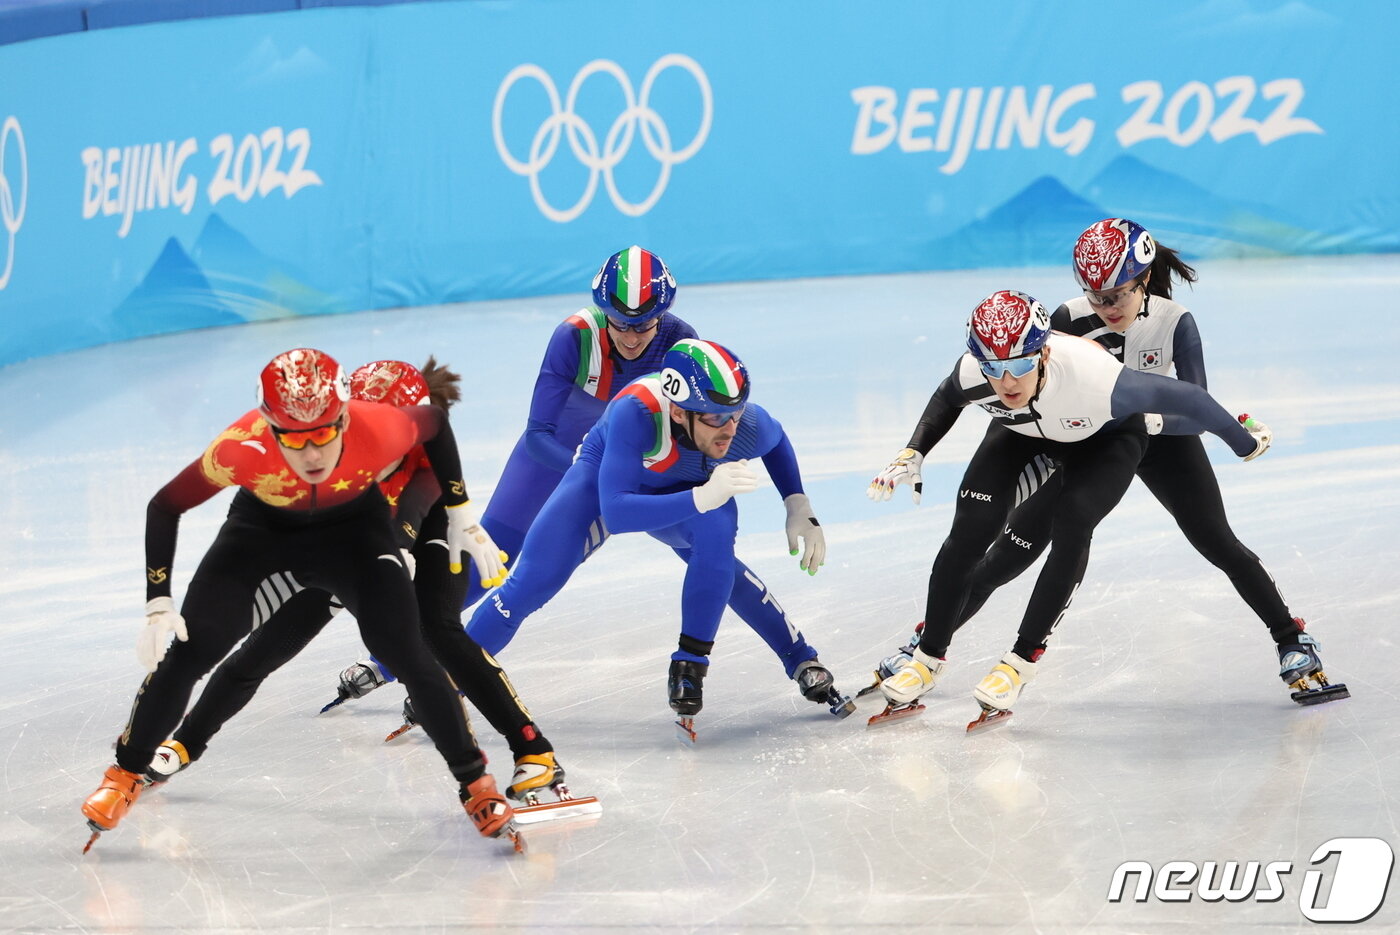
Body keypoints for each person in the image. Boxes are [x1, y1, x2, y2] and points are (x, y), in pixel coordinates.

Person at [328, 247, 834, 720]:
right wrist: (584, 461)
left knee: (715, 552)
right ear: (600, 312)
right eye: (620, 324)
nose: (634, 337)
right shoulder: (574, 337)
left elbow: (727, 429)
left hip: (642, 460)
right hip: (563, 455)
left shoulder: (683, 346)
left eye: (645, 325)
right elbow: (538, 433)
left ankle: (792, 656)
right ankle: (390, 657)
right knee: (494, 557)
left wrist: (796, 501)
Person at [81, 348, 520, 851]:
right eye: (294, 439)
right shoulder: (240, 446)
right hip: (262, 535)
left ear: (343, 417)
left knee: (409, 655)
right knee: (190, 653)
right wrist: (158, 598)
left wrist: (460, 510)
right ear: (269, 425)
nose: (312, 455)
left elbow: (436, 424)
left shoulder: (377, 427)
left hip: (356, 537)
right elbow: (165, 505)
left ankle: (475, 785)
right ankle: (124, 775)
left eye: (324, 435)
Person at [143, 358, 583, 810]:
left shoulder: (422, 452)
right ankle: (182, 745)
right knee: (265, 646)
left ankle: (532, 748)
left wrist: (389, 562)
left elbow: (407, 520)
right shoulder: (338, 441)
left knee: (437, 629)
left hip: (427, 533)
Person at [936, 218, 1344, 705]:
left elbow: (1193, 410)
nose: (1105, 307)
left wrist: (1145, 423)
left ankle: (1291, 638)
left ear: (1144, 279)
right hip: (1083, 445)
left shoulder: (1175, 322)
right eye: (1094, 296)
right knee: (1014, 547)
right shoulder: (1064, 318)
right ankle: (925, 644)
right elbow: (1026, 397)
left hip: (1160, 440)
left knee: (1217, 542)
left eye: (1117, 295)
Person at [866, 289, 1272, 724]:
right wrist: (914, 452)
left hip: (1106, 439)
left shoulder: (1097, 378)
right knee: (970, 528)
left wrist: (1245, 442)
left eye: (1020, 364)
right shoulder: (975, 373)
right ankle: (926, 660)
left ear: (1042, 351)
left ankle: (1018, 664)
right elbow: (946, 399)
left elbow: (1193, 400)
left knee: (1073, 522)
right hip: (1027, 434)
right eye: (994, 369)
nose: (1007, 383)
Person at [464, 338, 851, 737]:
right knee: (532, 581)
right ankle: (454, 676)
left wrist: (796, 502)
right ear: (680, 411)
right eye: (716, 419)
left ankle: (711, 665)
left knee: (717, 543)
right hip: (604, 485)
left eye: (735, 414)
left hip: (679, 491)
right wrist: (702, 495)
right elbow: (616, 511)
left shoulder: (741, 423)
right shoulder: (637, 411)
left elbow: (777, 440)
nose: (730, 430)